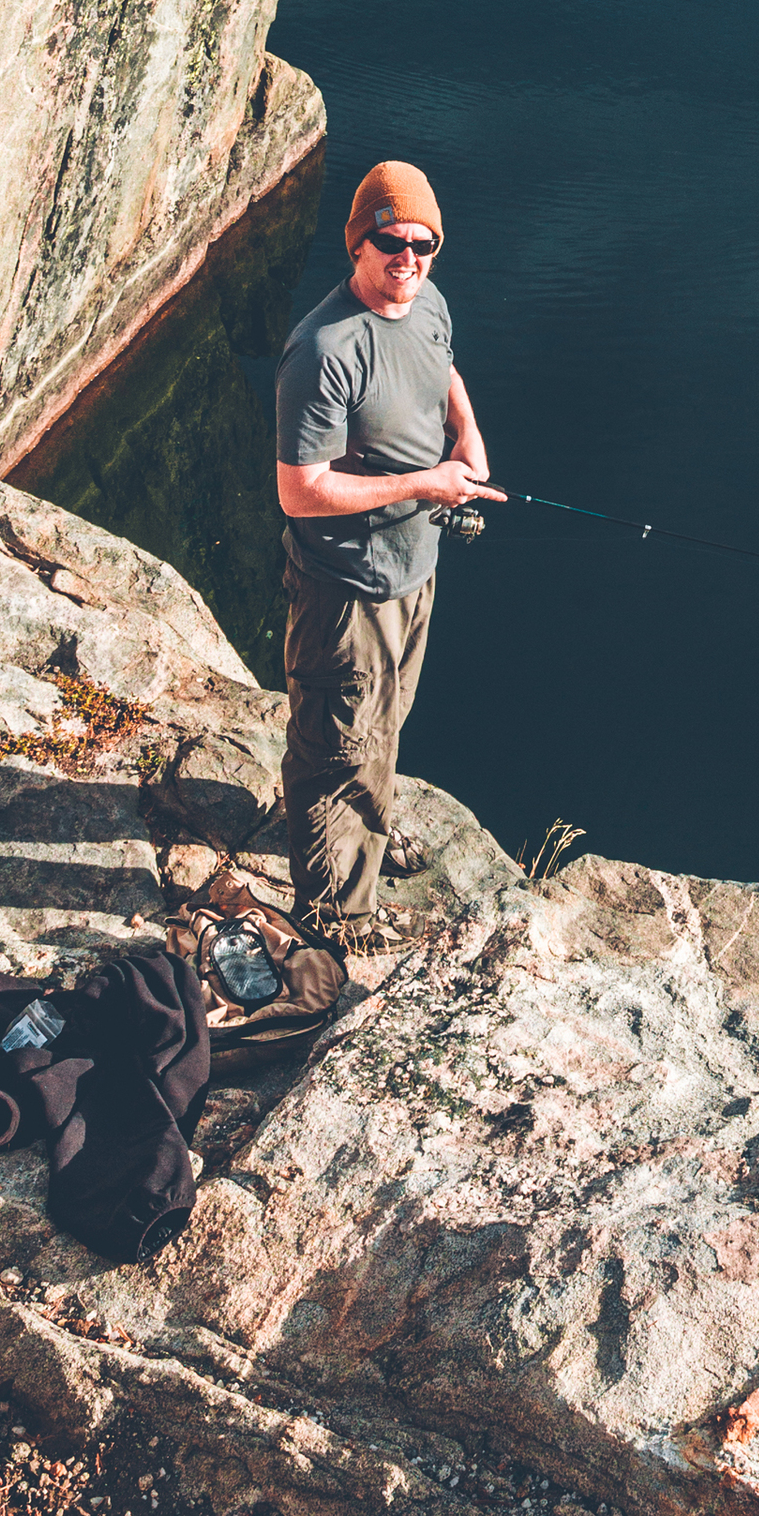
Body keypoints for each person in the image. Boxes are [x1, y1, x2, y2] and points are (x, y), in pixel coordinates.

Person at [272, 160, 501, 935]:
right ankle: (335, 912)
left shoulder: (425, 302)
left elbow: (442, 367)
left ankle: (365, 834)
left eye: (423, 244)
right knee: (337, 744)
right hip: (347, 585)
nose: (407, 258)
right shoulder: (325, 350)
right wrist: (424, 486)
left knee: (383, 723)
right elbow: (300, 489)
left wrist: (466, 435)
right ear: (358, 245)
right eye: (390, 242)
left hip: (414, 567)